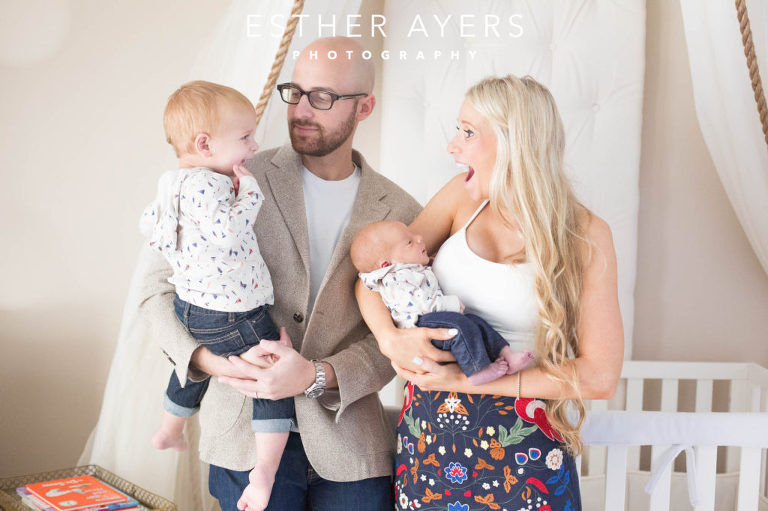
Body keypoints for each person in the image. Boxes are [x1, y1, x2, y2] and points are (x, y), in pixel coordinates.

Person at [136, 37, 427, 511]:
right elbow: (156, 290)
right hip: (240, 444)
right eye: (296, 92)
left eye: (324, 97)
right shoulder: (229, 174)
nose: (302, 110)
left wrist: (318, 375)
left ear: (365, 107)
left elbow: (400, 337)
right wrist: (209, 363)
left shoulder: (402, 212)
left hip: (351, 449)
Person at [356, 75, 624, 510]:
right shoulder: (460, 198)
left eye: (467, 131)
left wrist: (466, 382)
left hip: (526, 450)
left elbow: (599, 376)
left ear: (513, 142)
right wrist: (390, 338)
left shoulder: (586, 235)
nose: (452, 146)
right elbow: (373, 276)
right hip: (431, 440)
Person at [140, 80, 296, 509]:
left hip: (190, 308)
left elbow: (150, 230)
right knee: (271, 373)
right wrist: (249, 192)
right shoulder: (211, 185)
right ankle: (264, 470)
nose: (255, 144)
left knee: (196, 366)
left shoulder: (170, 182)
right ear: (205, 144)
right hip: (231, 313)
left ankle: (170, 428)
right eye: (245, 137)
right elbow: (228, 231)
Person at [350, 220, 535, 385]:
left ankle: (507, 355)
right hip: (421, 324)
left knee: (476, 322)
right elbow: (420, 304)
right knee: (461, 326)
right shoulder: (395, 281)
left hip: (435, 317)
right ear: (386, 265)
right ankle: (477, 370)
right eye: (409, 242)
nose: (419, 238)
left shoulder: (410, 270)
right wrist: (450, 304)